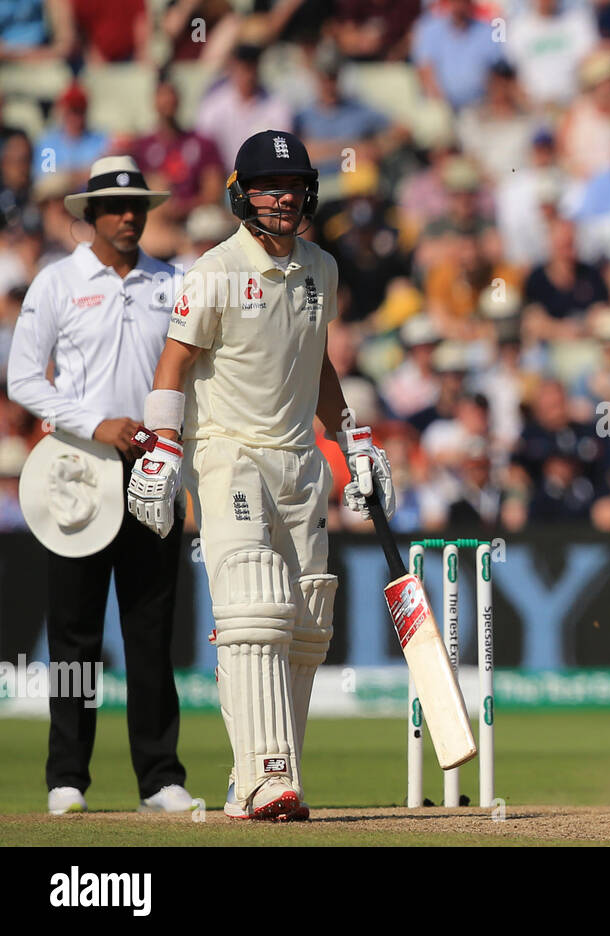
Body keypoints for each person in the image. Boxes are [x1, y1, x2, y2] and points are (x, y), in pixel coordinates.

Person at [126, 130, 395, 821]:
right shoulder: (215, 270)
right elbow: (175, 361)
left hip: (301, 461)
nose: (283, 197)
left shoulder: (321, 269)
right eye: (269, 186)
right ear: (241, 193)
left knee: (307, 622)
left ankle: (257, 777)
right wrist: (163, 446)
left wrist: (352, 435)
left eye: (294, 185)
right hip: (228, 452)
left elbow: (318, 362)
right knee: (254, 610)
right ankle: (268, 780)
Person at [7, 155, 195, 815]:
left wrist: (185, 469)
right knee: (76, 634)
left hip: (152, 469)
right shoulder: (58, 282)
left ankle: (159, 777)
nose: (127, 216)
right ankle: (68, 777)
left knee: (150, 627)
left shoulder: (174, 282)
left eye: (137, 206)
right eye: (115, 206)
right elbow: (23, 378)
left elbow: (195, 383)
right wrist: (95, 422)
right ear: (89, 214)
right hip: (78, 474)